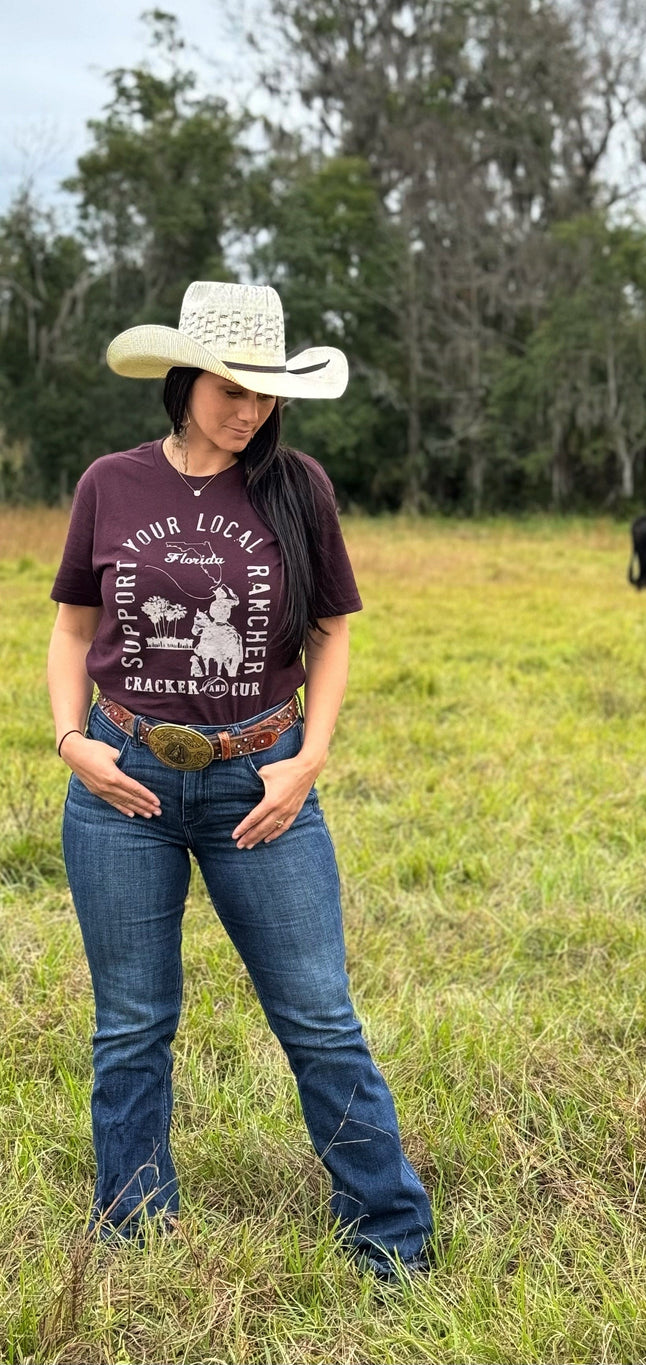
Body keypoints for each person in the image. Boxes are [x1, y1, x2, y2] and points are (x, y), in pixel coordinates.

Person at [47, 280, 433, 1282]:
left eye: (266, 393)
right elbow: (73, 628)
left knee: (316, 1014)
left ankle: (392, 1237)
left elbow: (331, 632)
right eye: (232, 388)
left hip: (258, 781)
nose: (249, 410)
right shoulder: (110, 483)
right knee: (132, 1020)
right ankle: (133, 1227)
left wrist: (308, 757)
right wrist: (70, 740)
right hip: (122, 781)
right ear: (183, 380)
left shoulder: (297, 487)